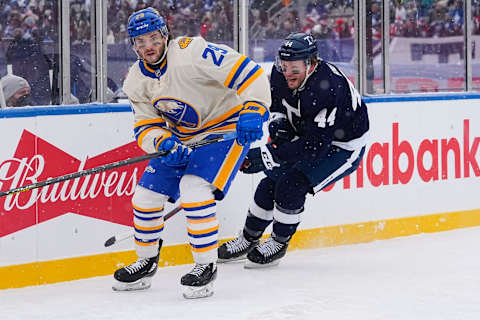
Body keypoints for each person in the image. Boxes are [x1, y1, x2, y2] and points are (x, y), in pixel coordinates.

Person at [112, 8, 271, 298]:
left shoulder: (191, 52)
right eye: (140, 41)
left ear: (164, 35)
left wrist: (253, 108)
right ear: (133, 46)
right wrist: (161, 143)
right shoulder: (135, 80)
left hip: (225, 132)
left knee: (194, 189)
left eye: (153, 38)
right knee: (144, 198)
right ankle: (146, 260)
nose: (148, 46)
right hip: (181, 138)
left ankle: (205, 266)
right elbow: (145, 126)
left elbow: (249, 73)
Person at [217, 32, 370, 268]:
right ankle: (249, 239)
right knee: (269, 183)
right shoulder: (280, 73)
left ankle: (279, 242)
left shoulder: (329, 87)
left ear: (311, 63)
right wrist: (279, 127)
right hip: (309, 135)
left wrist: (269, 154)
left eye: (294, 68)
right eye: (284, 65)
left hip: (342, 146)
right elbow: (276, 104)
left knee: (292, 185)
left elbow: (315, 146)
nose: (287, 72)